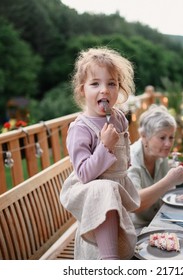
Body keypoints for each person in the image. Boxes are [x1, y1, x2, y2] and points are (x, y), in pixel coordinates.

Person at [59, 47, 140, 259]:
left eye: (111, 83)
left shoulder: (119, 117)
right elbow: (85, 173)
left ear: (119, 89)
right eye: (95, 84)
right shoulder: (80, 128)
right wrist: (105, 146)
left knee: (121, 238)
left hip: (116, 192)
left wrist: (126, 161)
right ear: (82, 90)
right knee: (99, 251)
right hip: (94, 195)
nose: (104, 90)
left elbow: (125, 140)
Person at [127, 105, 183, 229]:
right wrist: (169, 180)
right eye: (162, 137)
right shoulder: (130, 159)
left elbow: (166, 195)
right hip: (134, 231)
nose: (168, 144)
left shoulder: (160, 156)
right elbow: (135, 203)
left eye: (171, 137)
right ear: (144, 137)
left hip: (159, 223)